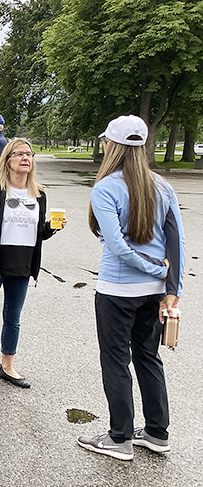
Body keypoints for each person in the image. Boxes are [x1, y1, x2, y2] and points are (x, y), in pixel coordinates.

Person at [77, 115, 185, 461]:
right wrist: (171, 285)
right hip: (154, 291)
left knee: (115, 359)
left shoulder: (106, 188)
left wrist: (154, 268)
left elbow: (119, 246)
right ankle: (156, 431)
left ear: (113, 146)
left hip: (118, 290)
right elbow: (176, 242)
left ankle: (119, 437)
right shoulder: (163, 186)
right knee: (148, 357)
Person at [0, 138, 63, 394]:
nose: (26, 158)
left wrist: (51, 228)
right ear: (8, 160)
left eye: (29, 154)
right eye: (19, 154)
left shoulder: (38, 194)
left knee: (13, 319)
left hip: (22, 265)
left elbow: (36, 232)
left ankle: (7, 367)